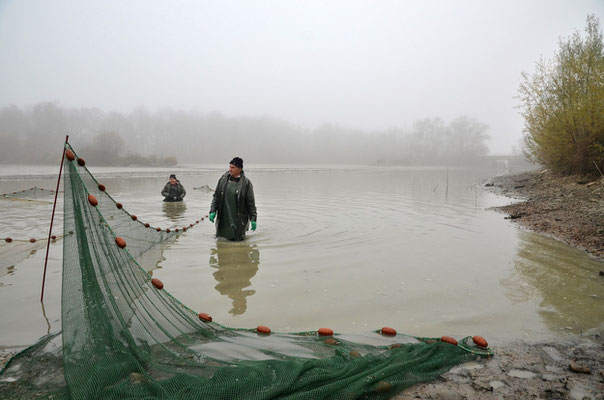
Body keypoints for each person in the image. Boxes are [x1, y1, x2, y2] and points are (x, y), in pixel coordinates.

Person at [209, 157, 257, 241]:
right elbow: (216, 196)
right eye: (229, 167)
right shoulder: (223, 179)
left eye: (233, 167)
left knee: (238, 244)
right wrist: (212, 210)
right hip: (223, 220)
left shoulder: (246, 183)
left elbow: (251, 203)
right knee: (221, 243)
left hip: (239, 221)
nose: (230, 169)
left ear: (240, 169)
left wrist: (253, 219)